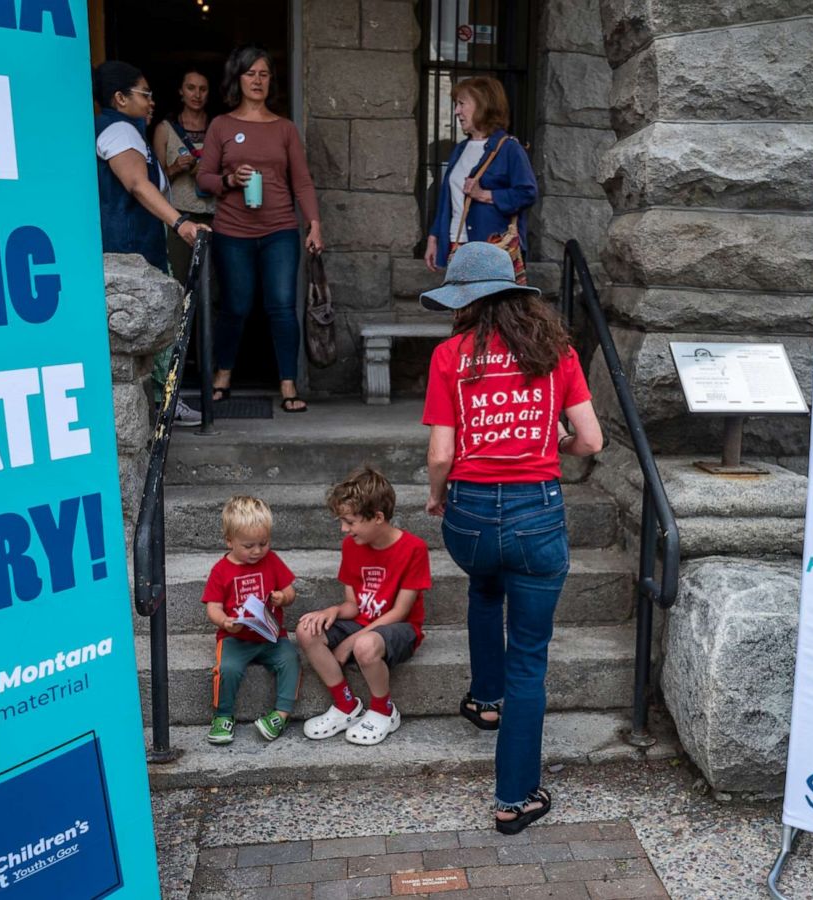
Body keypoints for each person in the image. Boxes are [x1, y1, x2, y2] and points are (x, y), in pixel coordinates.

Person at [419, 242, 604, 835]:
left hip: (469, 514)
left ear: (463, 303)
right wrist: (553, 447)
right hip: (537, 514)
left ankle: (484, 700)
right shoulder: (557, 353)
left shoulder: (450, 355)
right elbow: (592, 442)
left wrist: (437, 497)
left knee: (483, 586)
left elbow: (441, 453)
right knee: (530, 659)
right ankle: (515, 797)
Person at [195, 45, 324, 414]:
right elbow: (203, 179)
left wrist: (314, 224)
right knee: (235, 305)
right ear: (238, 78)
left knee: (282, 307)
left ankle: (288, 383)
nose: (257, 80)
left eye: (264, 74)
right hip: (232, 230)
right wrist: (229, 179)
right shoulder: (221, 125)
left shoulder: (284, 128)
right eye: (250, 73)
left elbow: (302, 181)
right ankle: (223, 375)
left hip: (280, 229)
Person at [295, 467, 431, 746]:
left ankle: (384, 710)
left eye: (350, 522)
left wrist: (350, 642)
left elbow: (400, 612)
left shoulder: (413, 549)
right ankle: (345, 704)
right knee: (307, 630)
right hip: (362, 623)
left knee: (364, 646)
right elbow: (353, 606)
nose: (344, 529)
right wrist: (331, 611)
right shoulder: (351, 545)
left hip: (398, 629)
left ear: (378, 518)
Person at [201, 496, 299, 745]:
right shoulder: (221, 571)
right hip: (235, 637)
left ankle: (280, 714)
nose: (257, 551)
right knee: (227, 669)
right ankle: (223, 716)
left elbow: (290, 591)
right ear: (229, 541)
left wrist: (282, 597)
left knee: (291, 659)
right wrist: (224, 622)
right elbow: (213, 607)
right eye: (248, 546)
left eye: (263, 543)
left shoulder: (272, 560)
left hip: (270, 635)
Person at [93, 60, 205, 271]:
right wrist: (180, 224)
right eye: (144, 95)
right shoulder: (120, 131)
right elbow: (138, 184)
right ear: (120, 98)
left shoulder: (113, 127)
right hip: (131, 250)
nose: (150, 102)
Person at [423, 77, 537, 277]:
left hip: (492, 248)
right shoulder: (460, 149)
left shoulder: (509, 148)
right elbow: (446, 200)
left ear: (483, 104)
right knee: (462, 307)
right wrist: (433, 238)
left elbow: (527, 193)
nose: (456, 111)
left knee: (489, 308)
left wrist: (485, 194)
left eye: (461, 104)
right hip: (456, 244)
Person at [156, 68, 216, 282]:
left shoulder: (218, 127)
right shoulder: (165, 129)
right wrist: (175, 167)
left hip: (215, 216)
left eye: (203, 89)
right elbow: (155, 181)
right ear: (180, 92)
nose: (197, 95)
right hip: (179, 217)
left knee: (215, 286)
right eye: (191, 88)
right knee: (180, 282)